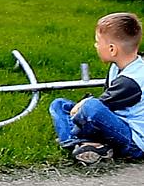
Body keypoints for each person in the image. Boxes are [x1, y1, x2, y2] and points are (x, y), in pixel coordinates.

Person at [49, 12, 144, 165]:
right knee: (59, 104)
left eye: (98, 42)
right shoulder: (116, 67)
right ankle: (91, 145)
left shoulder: (132, 80)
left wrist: (83, 106)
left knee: (90, 107)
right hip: (117, 123)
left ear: (112, 49)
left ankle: (78, 141)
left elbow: (99, 106)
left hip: (133, 141)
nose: (95, 46)